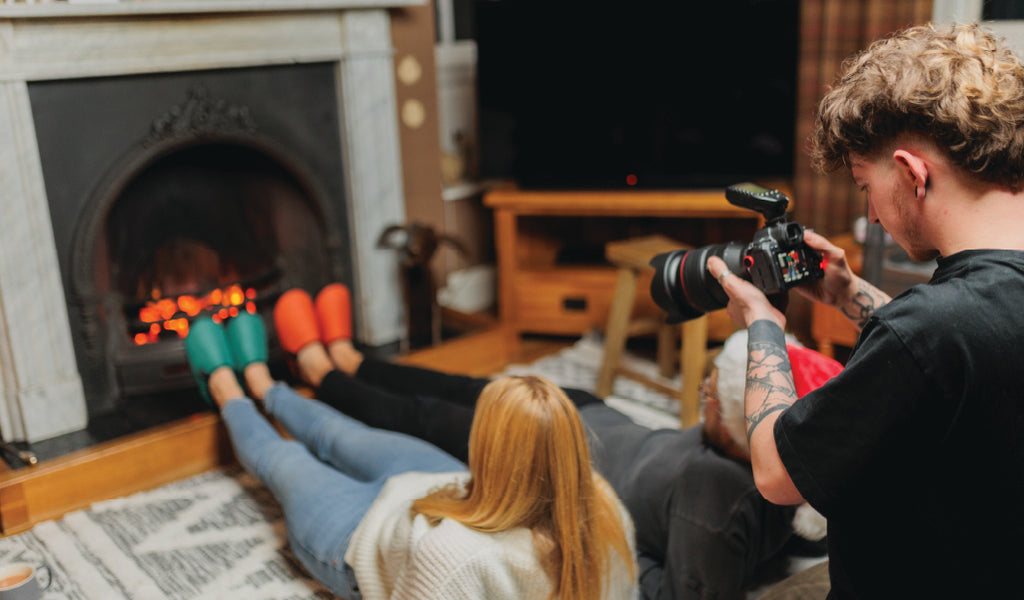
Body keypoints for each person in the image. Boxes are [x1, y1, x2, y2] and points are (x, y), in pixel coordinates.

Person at [705, 23, 1024, 598]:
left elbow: (777, 473)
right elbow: (975, 347)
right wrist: (849, 294)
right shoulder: (953, 322)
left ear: (910, 172)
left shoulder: (928, 330)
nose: (873, 216)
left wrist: (763, 326)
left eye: (863, 185)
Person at [272, 283, 845, 599]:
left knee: (424, 415)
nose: (702, 391)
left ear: (746, 432)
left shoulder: (714, 503)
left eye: (712, 394)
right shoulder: (753, 471)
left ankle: (321, 372)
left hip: (545, 441)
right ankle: (353, 359)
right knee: (459, 386)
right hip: (586, 411)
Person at [183, 311, 638, 600]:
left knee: (282, 460)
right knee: (337, 432)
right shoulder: (606, 504)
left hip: (356, 538)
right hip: (438, 485)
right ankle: (266, 384)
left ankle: (226, 387)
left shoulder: (457, 558)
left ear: (486, 447)